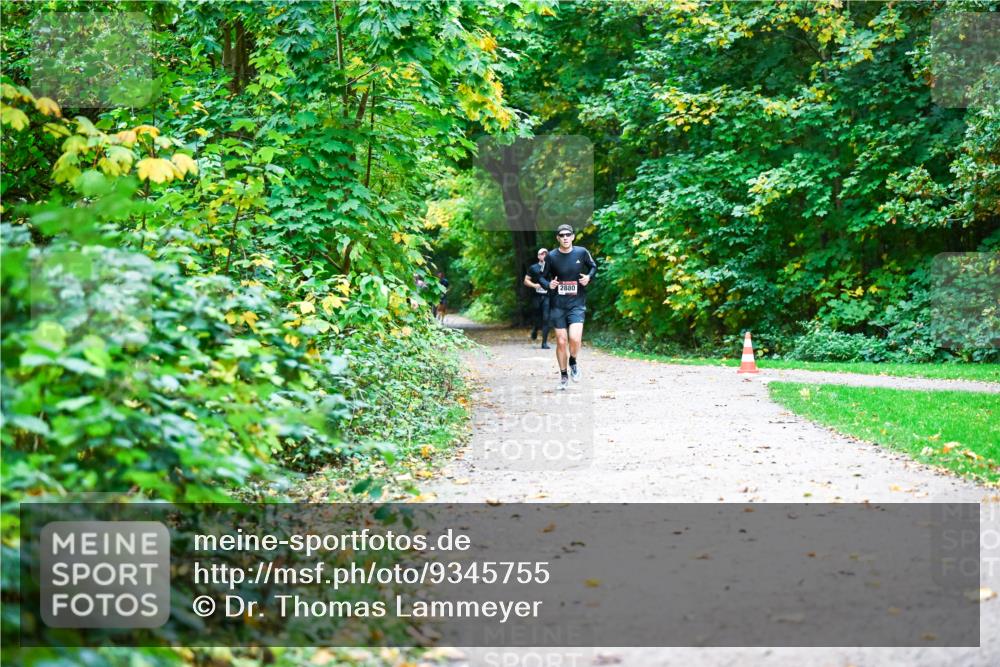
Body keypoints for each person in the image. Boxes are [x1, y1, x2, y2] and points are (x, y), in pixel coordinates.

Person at [540, 224, 596, 390]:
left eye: (568, 235)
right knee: (561, 341)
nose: (565, 237)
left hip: (577, 303)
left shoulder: (582, 252)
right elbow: (542, 278)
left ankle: (573, 361)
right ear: (558, 238)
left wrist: (588, 277)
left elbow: (593, 267)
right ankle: (564, 375)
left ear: (573, 237)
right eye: (561, 235)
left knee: (575, 339)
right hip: (557, 305)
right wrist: (549, 284)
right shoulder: (551, 256)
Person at [523, 247, 552, 349]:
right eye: (541, 254)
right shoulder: (533, 268)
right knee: (537, 317)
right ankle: (535, 328)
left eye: (545, 254)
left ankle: (544, 343)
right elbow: (526, 280)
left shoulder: (552, 267)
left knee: (546, 318)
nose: (543, 255)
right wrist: (534, 285)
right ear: (538, 256)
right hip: (536, 296)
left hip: (547, 296)